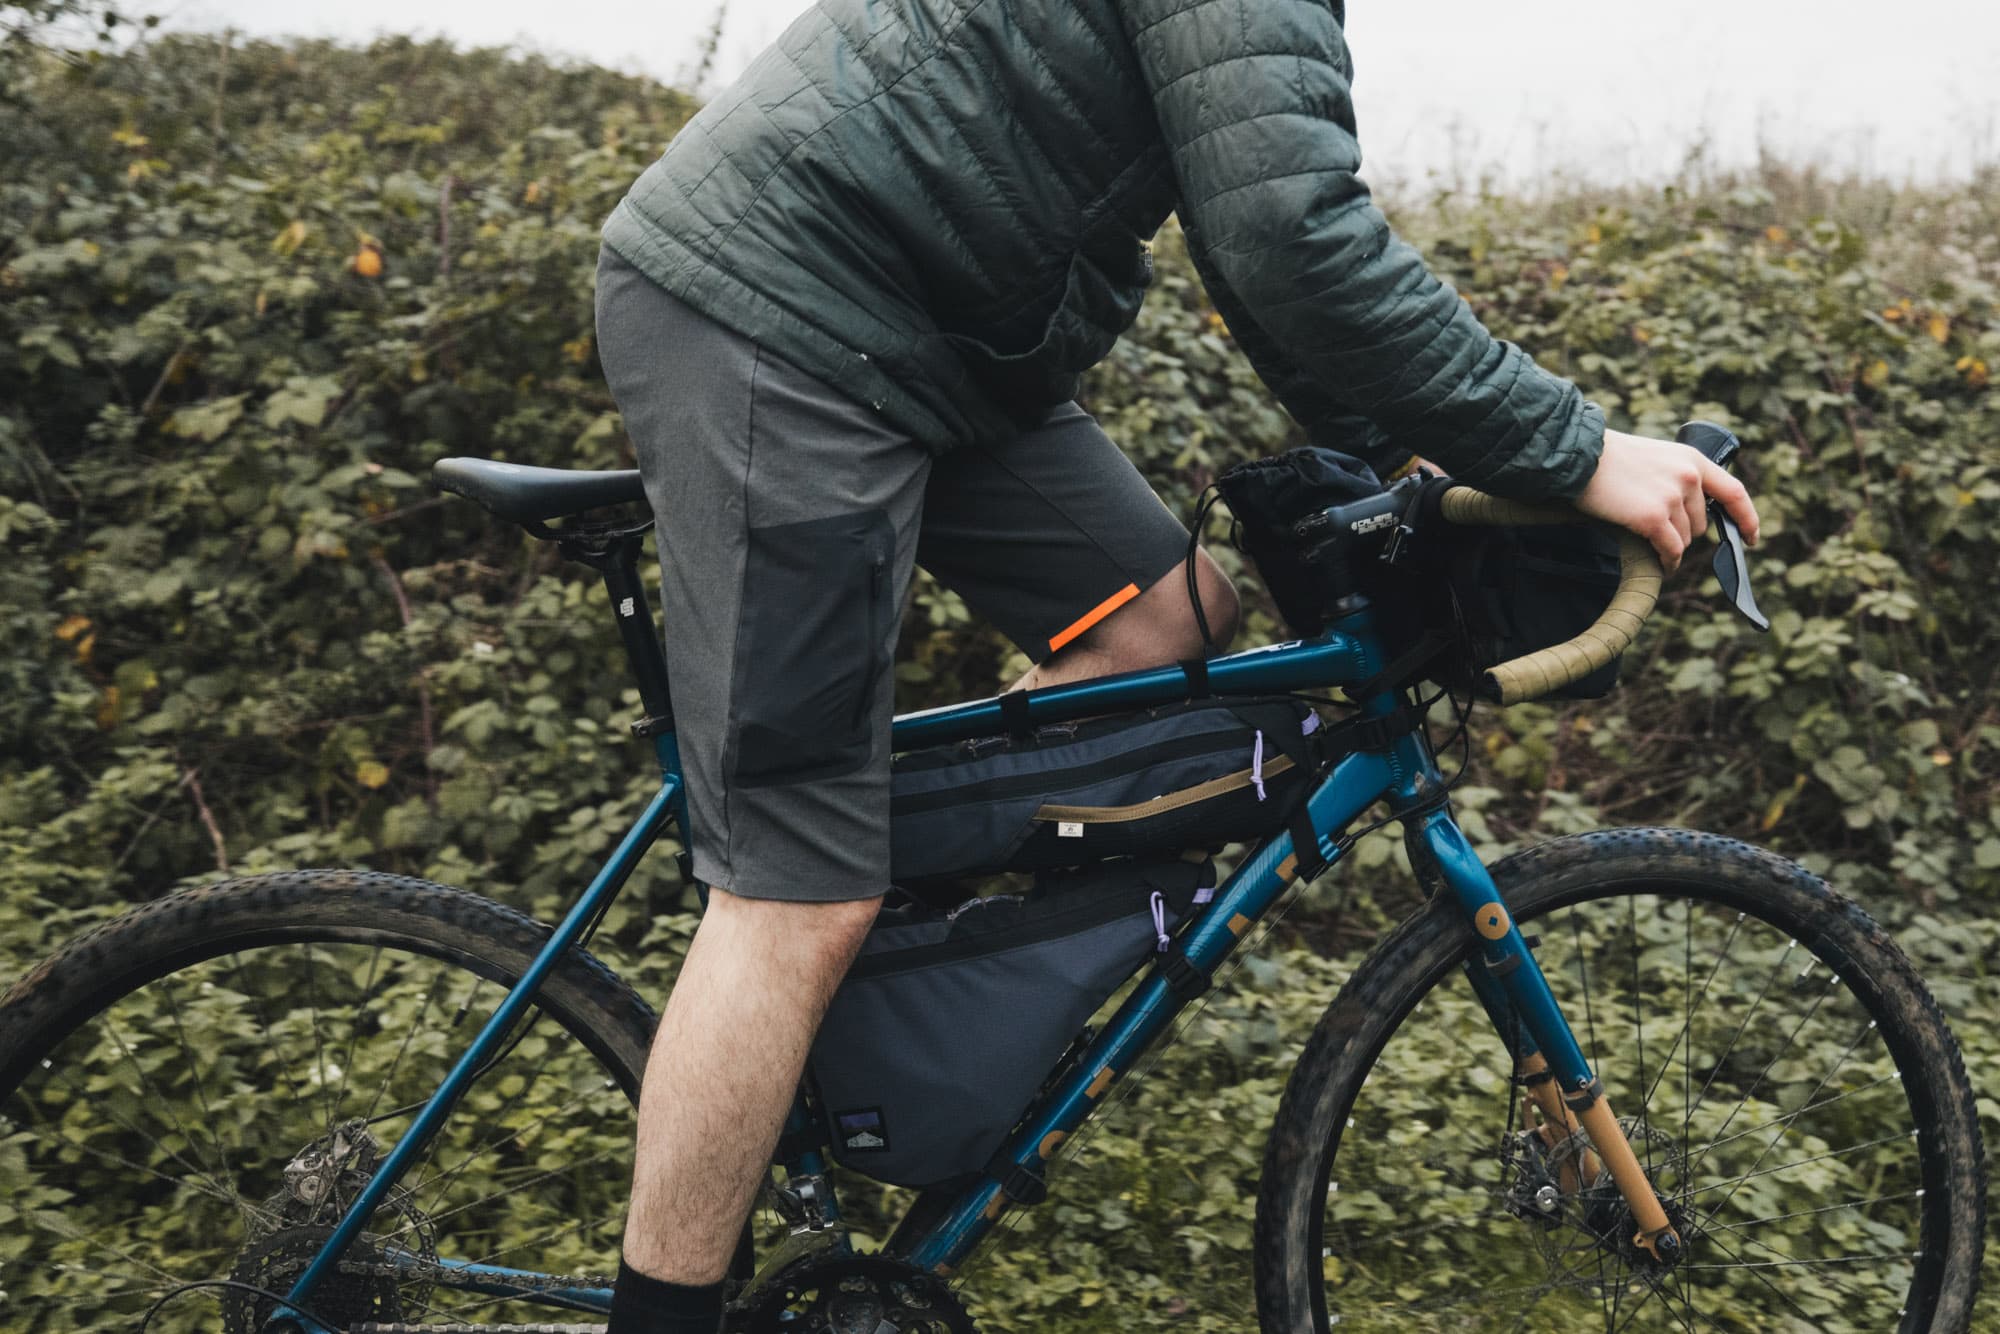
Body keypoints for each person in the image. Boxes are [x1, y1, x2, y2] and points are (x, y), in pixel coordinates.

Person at [591, 1, 1760, 1329]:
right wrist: (1579, 450)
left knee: (1170, 627)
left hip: (931, 336)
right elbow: (1289, 239)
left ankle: (909, 1018)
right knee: (797, 890)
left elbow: (1255, 237)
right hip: (781, 309)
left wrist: (1410, 468)